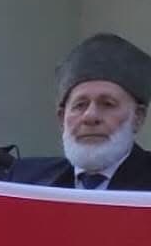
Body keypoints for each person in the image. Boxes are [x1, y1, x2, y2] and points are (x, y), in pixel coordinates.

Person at [10, 32, 151, 190]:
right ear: (61, 118)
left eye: (108, 104)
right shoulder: (26, 179)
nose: (90, 116)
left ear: (138, 117)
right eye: (80, 105)